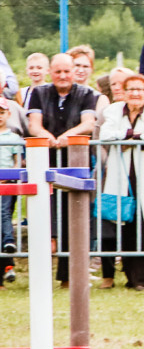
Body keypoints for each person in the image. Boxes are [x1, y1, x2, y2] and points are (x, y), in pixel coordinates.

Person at [27, 53, 98, 288]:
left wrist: (64, 138)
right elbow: (33, 125)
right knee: (43, 217)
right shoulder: (38, 93)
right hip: (44, 160)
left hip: (75, 162)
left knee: (73, 218)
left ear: (73, 72)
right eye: (58, 71)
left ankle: (69, 277)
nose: (63, 76)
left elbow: (88, 124)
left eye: (67, 71)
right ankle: (40, 277)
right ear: (51, 73)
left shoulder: (87, 94)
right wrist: (50, 139)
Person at [97, 75, 144, 290]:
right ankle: (130, 277)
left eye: (139, 89)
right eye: (130, 89)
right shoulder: (113, 110)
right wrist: (132, 134)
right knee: (125, 223)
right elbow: (106, 135)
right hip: (122, 174)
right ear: (124, 91)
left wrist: (132, 139)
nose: (135, 93)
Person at [0, 98, 22, 256]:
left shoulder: (14, 138)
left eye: (2, 113)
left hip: (7, 181)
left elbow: (18, 161)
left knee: (5, 211)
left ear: (8, 114)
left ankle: (8, 240)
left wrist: (9, 176)